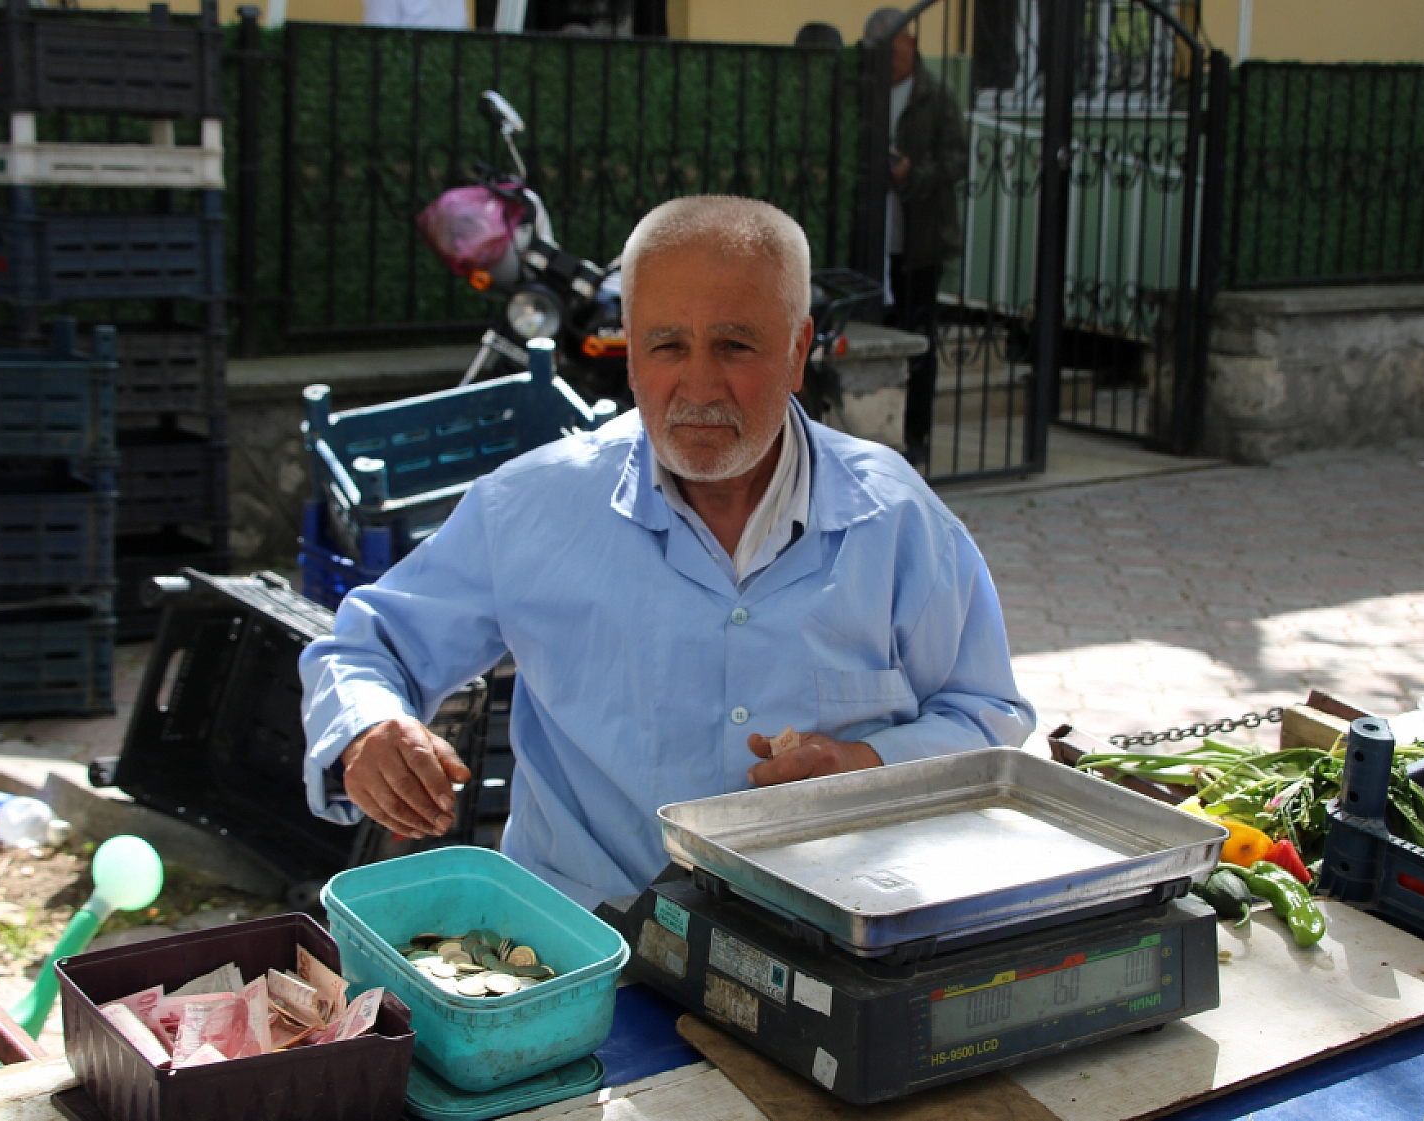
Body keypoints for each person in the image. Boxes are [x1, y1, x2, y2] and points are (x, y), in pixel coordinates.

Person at [299, 196, 1033, 908]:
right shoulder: (531, 508)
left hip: (825, 939)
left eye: (735, 345)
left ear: (798, 350)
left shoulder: (895, 520)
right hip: (581, 945)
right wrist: (368, 728)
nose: (700, 386)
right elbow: (367, 646)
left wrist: (866, 763)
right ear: (629, 351)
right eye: (667, 345)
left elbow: (985, 710)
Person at [863, 8, 966, 469]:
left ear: (911, 44)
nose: (890, 56)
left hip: (920, 240)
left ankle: (915, 433)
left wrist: (913, 174)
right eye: (880, 47)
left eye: (896, 45)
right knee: (876, 330)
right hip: (873, 238)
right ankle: (876, 432)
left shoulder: (935, 96)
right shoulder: (865, 89)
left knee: (919, 338)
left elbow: (958, 161)